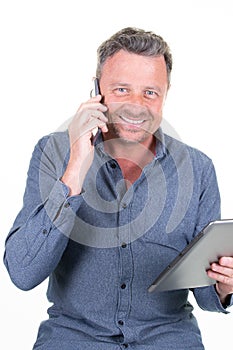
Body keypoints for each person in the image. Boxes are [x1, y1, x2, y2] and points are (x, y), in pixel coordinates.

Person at [3, 27, 233, 349]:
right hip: (74, 340)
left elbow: (209, 296)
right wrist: (76, 168)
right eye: (122, 89)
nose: (136, 106)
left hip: (167, 340)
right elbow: (23, 272)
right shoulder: (54, 153)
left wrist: (224, 285)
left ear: (165, 94)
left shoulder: (198, 170)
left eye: (150, 93)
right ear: (96, 89)